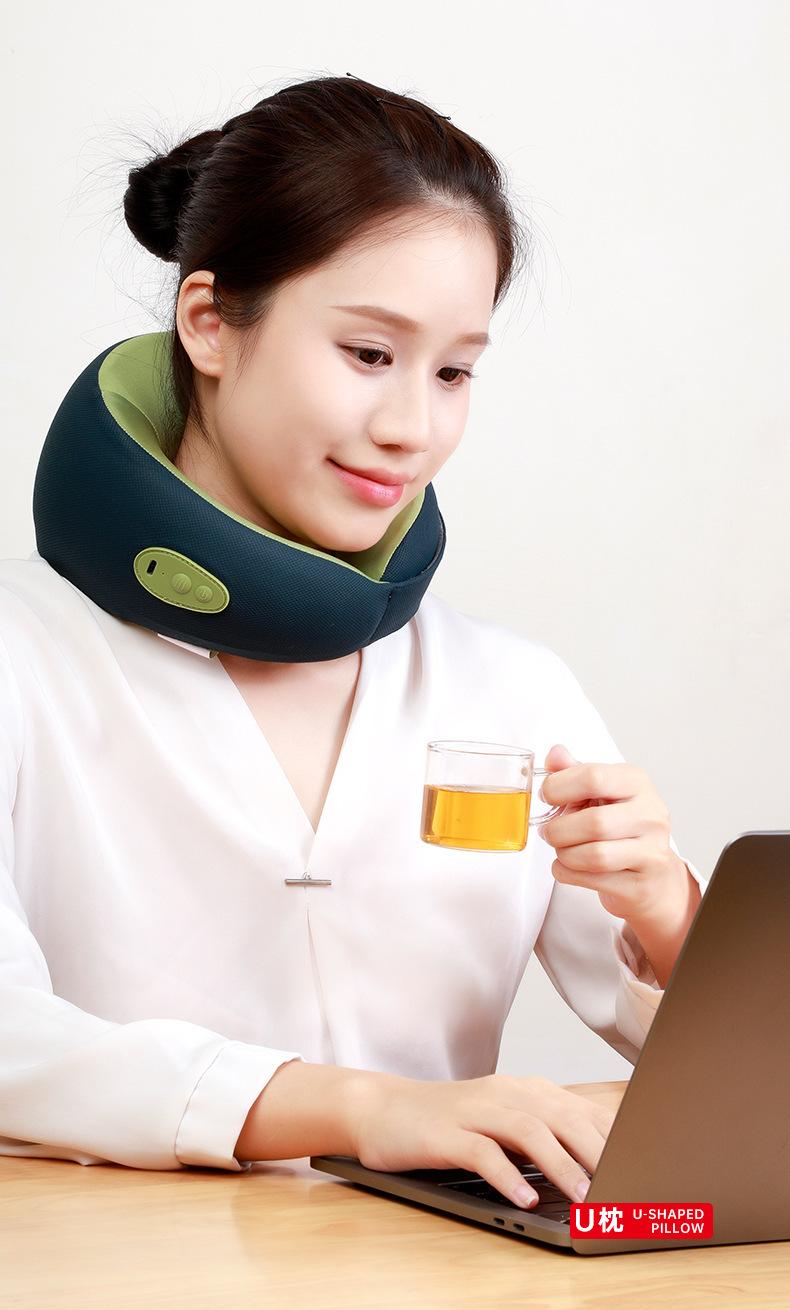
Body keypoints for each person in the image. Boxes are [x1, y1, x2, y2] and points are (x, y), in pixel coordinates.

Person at [0, 73, 706, 1212]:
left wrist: (666, 914)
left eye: (453, 371)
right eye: (370, 353)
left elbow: (741, 1085)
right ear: (207, 323)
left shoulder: (509, 687)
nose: (412, 427)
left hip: (448, 1277)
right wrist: (360, 1106)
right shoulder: (24, 658)